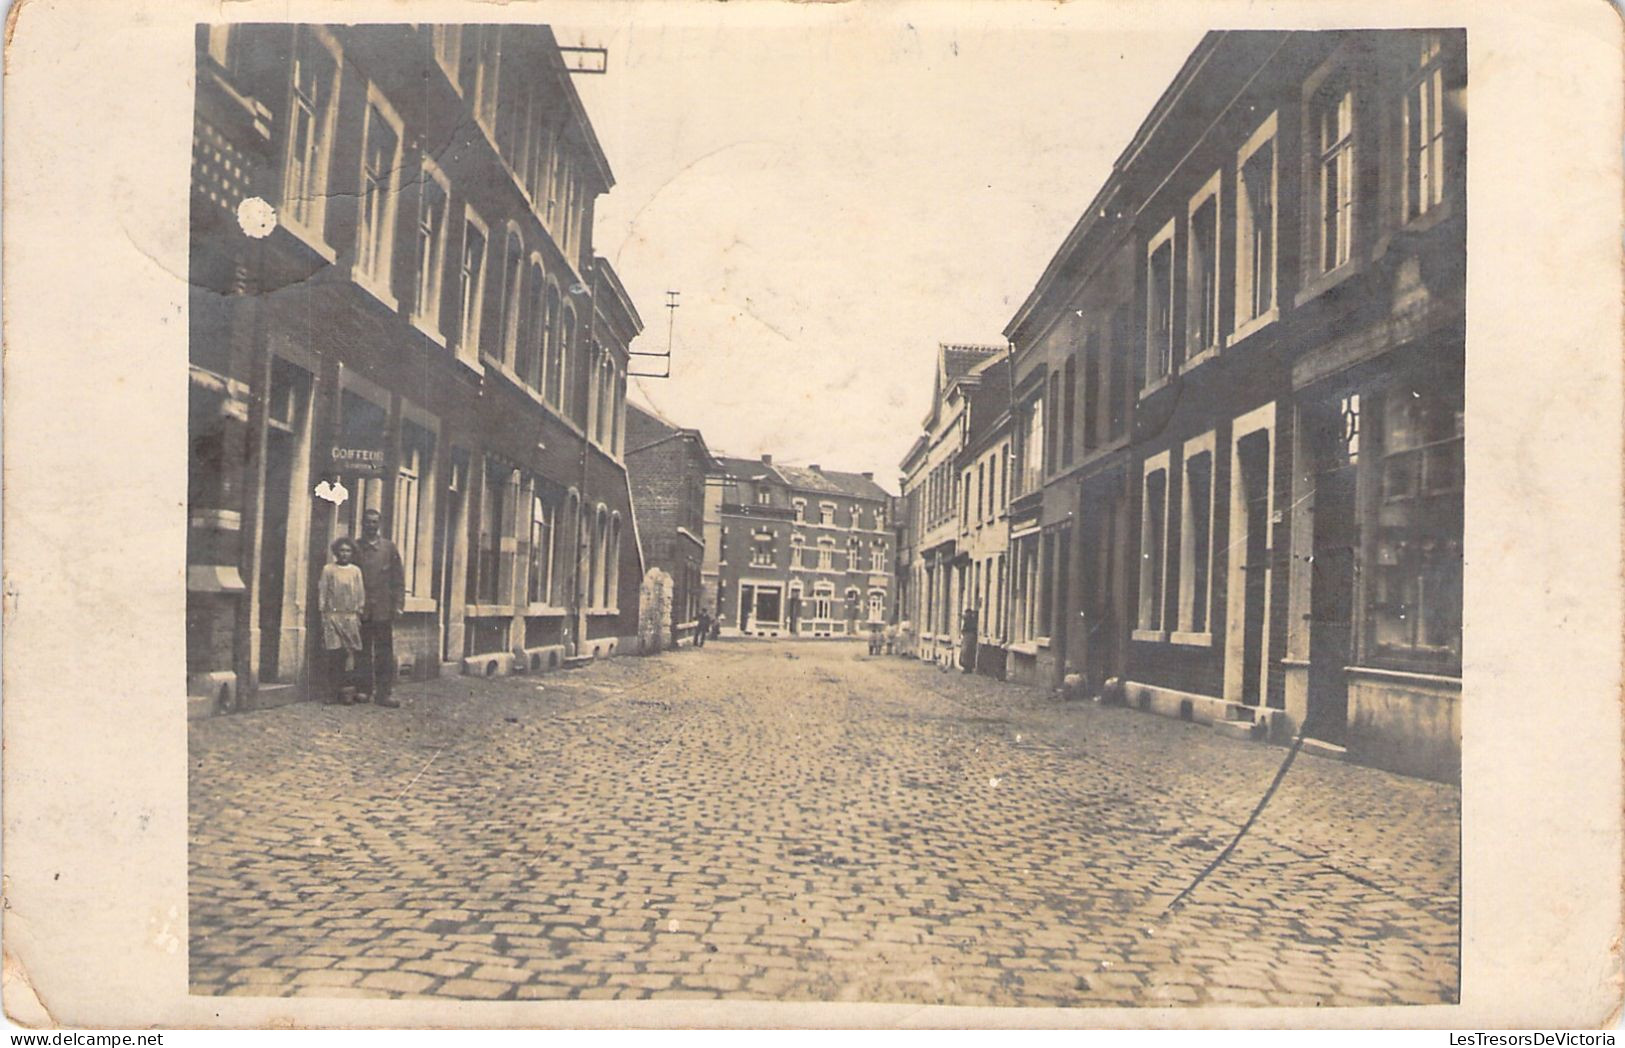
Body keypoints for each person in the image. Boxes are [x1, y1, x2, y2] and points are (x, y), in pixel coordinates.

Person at [353, 508, 406, 708]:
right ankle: (364, 690)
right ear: (362, 524)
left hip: (384, 610)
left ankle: (384, 693)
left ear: (379, 524)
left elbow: (398, 580)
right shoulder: (355, 548)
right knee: (362, 651)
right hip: (362, 609)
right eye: (367, 522)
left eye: (374, 522)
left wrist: (399, 605)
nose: (371, 525)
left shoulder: (389, 549)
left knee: (384, 652)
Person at [318, 537, 366, 705]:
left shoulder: (356, 571)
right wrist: (324, 614)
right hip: (333, 616)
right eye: (342, 550)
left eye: (348, 551)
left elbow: (360, 594)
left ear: (352, 553)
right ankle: (332, 692)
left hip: (350, 617)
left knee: (349, 655)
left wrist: (358, 613)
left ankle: (347, 693)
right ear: (336, 552)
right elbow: (323, 592)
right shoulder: (328, 570)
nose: (345, 554)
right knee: (334, 654)